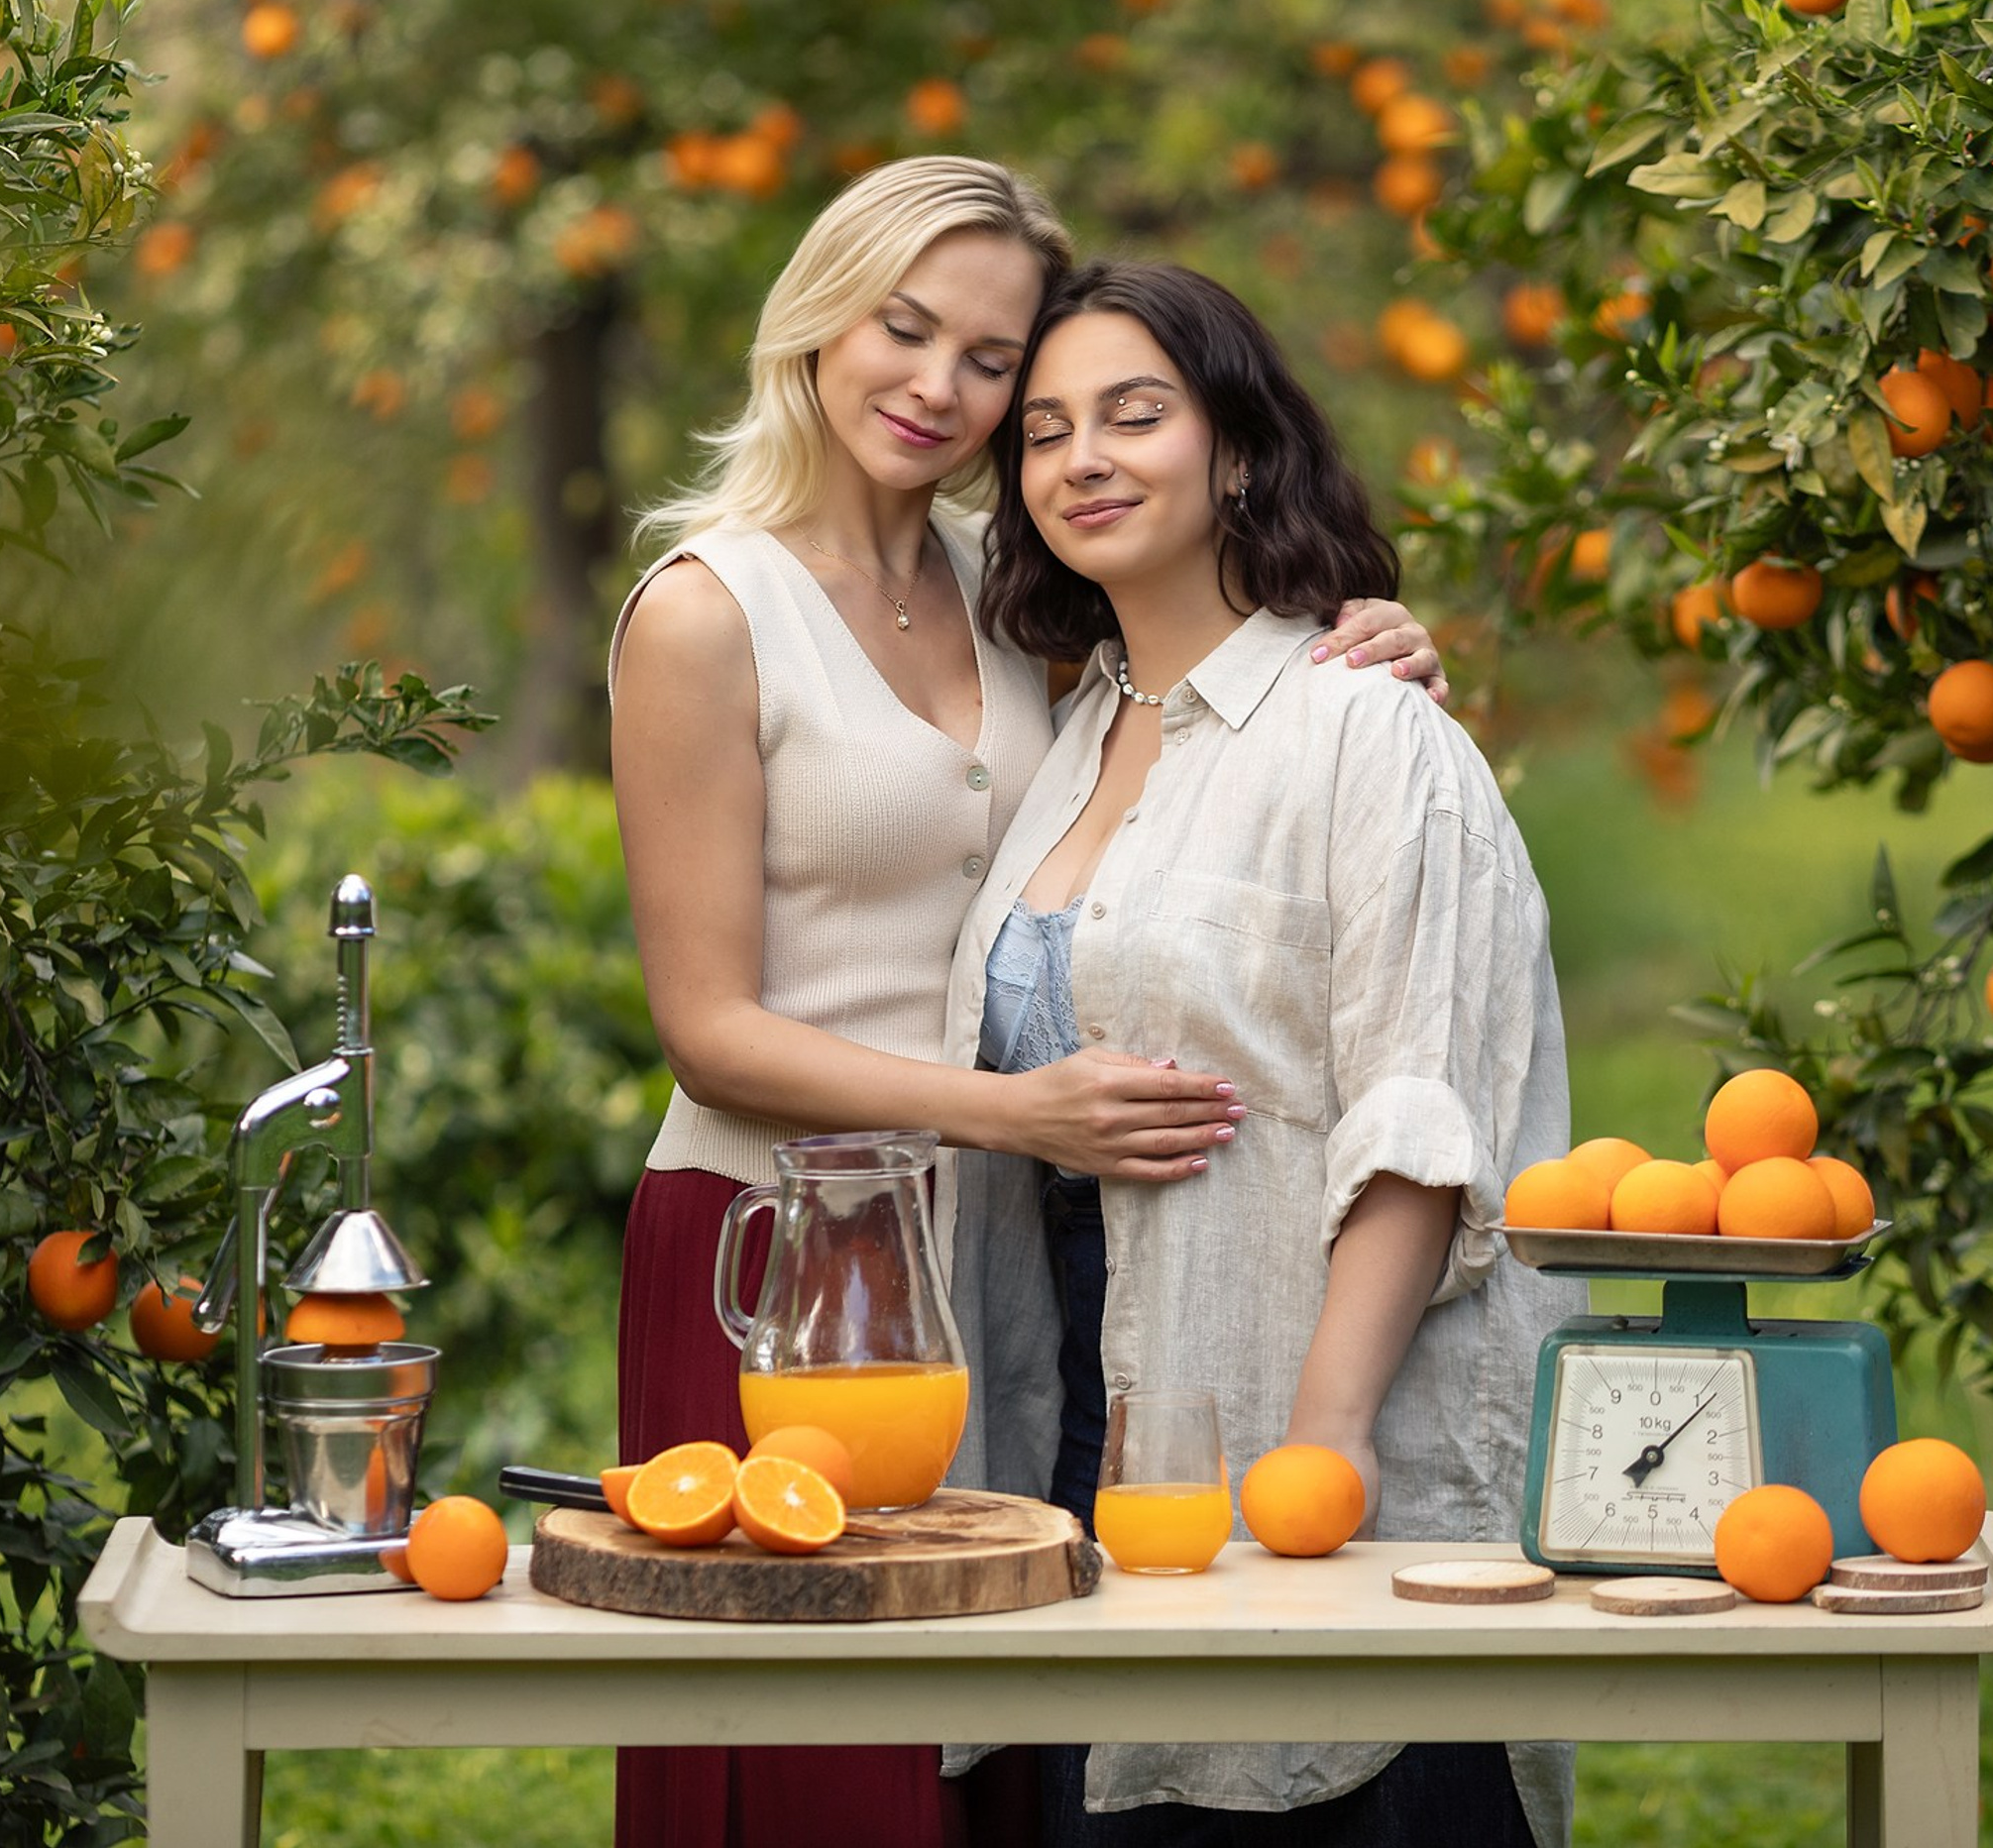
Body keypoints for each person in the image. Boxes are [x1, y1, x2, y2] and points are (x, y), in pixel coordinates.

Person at [607, 161, 1448, 1848]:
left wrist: (1377, 650)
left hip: (983, 1255)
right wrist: (1011, 1112)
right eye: (904, 329)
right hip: (783, 1249)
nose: (941, 386)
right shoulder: (707, 610)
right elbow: (707, 1028)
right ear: (817, 321)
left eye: (992, 361)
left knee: (982, 1755)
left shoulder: (1018, 588)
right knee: (827, 1769)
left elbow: (1197, 714)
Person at [942, 259, 1583, 1848]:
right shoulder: (1067, 738)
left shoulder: (1368, 727)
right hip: (1077, 1426)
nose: (1082, 458)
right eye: (1044, 431)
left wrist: (1325, 1444)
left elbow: (1422, 1115)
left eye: (1133, 415)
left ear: (1236, 449)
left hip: (1301, 1409)